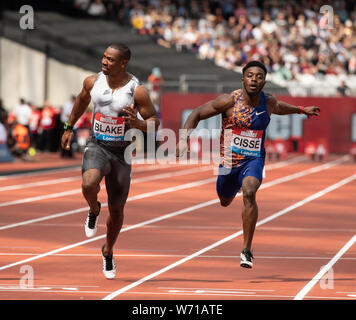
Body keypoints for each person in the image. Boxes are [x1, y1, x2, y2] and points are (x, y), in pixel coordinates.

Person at [176, 60, 320, 269]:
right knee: (224, 200)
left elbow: (279, 107)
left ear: (264, 81)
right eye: (250, 75)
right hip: (228, 161)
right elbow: (197, 113)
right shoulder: (228, 101)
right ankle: (231, 189)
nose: (254, 79)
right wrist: (183, 139)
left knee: (250, 192)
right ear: (243, 78)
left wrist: (300, 110)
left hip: (253, 160)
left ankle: (246, 249)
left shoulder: (268, 102)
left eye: (259, 76)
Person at [61, 43, 159, 279]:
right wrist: (68, 127)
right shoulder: (92, 82)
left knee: (116, 211)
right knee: (88, 184)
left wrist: (139, 124)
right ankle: (94, 209)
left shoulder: (137, 91)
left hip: (122, 153)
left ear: (123, 63)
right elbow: (82, 102)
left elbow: (155, 123)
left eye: (110, 59)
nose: (104, 62)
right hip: (98, 145)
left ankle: (108, 251)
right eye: (104, 57)